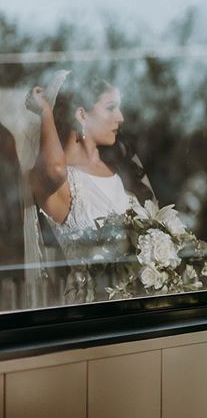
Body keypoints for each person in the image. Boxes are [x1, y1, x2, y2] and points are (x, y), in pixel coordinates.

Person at [26, 72, 154, 303]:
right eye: (111, 107)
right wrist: (46, 112)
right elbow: (55, 168)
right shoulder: (61, 181)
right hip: (92, 312)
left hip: (139, 306)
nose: (121, 117)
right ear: (82, 115)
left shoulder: (121, 172)